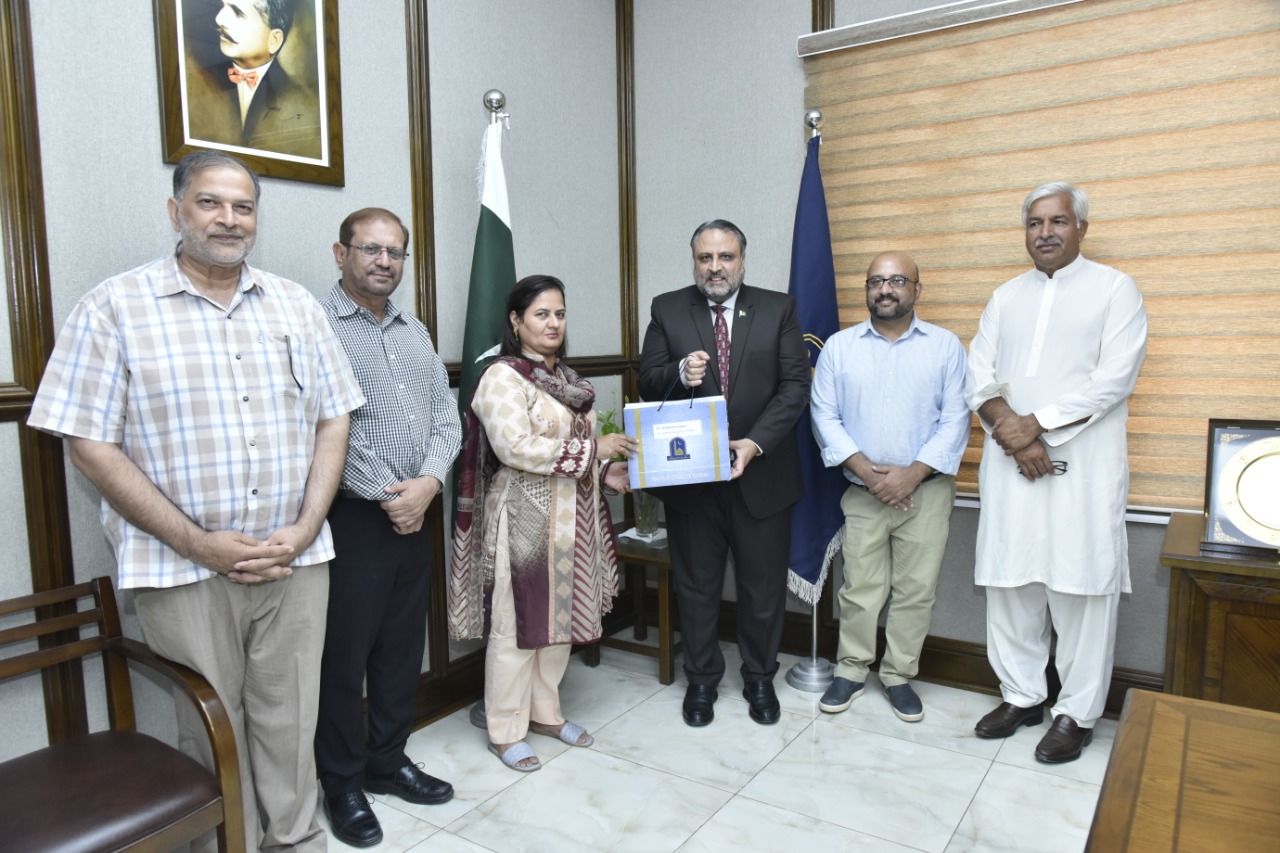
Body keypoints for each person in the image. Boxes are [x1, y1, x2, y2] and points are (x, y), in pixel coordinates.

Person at [28, 150, 364, 851]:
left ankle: (296, 840)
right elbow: (88, 443)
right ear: (175, 211)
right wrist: (196, 542)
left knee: (291, 718)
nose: (228, 219)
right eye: (210, 202)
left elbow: (334, 418)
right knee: (211, 726)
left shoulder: (297, 305)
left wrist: (307, 526)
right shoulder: (114, 307)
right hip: (182, 567)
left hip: (294, 560)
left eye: (243, 206)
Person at [966, 181, 1148, 763]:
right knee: (1011, 581)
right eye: (1035, 222)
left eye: (1058, 221)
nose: (1045, 232)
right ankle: (1021, 695)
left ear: (1081, 228)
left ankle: (1077, 713)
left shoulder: (1115, 289)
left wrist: (1038, 424)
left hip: (1084, 468)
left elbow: (1114, 379)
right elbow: (979, 375)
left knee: (1080, 586)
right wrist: (1014, 433)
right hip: (1011, 463)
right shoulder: (1004, 297)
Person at [315, 208, 461, 847]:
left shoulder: (414, 329)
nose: (383, 261)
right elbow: (325, 428)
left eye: (394, 252)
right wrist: (389, 495)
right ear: (340, 253)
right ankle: (342, 781)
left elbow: (446, 417)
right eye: (370, 249)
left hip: (417, 510)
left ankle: (388, 760)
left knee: (403, 647)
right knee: (344, 658)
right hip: (353, 518)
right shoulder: (316, 327)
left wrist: (427, 484)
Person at [448, 275, 634, 772]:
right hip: (523, 520)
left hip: (575, 519)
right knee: (516, 627)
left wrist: (605, 471)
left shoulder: (568, 381)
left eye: (560, 314)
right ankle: (505, 729)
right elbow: (516, 447)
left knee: (559, 624)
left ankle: (546, 714)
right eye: (541, 314)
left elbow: (574, 450)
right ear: (516, 321)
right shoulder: (502, 378)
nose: (553, 324)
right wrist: (594, 450)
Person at [638, 220, 810, 727]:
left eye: (726, 257)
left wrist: (754, 444)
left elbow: (795, 386)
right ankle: (701, 680)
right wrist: (678, 373)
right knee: (696, 587)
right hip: (692, 479)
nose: (715, 267)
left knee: (763, 590)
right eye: (705, 258)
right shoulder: (668, 308)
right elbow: (648, 382)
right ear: (694, 261)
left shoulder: (778, 308)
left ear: (742, 260)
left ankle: (759, 678)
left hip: (762, 476)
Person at [810, 251, 969, 722]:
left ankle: (899, 675)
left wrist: (910, 475)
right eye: (876, 281)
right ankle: (851, 670)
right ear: (866, 289)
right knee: (859, 588)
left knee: (916, 590)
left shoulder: (945, 347)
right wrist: (866, 471)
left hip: (926, 492)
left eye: (898, 280)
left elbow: (956, 419)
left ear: (917, 289)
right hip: (864, 491)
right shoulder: (839, 347)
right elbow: (824, 415)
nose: (885, 289)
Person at [186, 0, 322, 158]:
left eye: (238, 13)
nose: (219, 19)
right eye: (223, 6)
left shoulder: (296, 98)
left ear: (274, 40)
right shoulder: (200, 79)